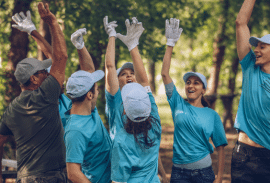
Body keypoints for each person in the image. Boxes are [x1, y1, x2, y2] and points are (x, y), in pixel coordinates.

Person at [0, 2, 69, 182]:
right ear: (34, 79)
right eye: (43, 72)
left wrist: (33, 32)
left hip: (25, 178)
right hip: (49, 178)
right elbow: (60, 58)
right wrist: (52, 23)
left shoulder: (11, 109)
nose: (48, 74)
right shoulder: (45, 96)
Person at [161, 18, 228, 183]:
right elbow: (164, 74)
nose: (191, 85)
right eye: (188, 82)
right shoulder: (177, 103)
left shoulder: (212, 115)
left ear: (203, 90)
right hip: (178, 173)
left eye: (196, 83)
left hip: (203, 174)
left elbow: (220, 148)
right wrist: (170, 43)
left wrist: (219, 177)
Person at [103, 16, 169, 183]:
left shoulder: (121, 142)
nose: (130, 76)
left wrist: (112, 36)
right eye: (123, 74)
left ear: (125, 109)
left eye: (132, 73)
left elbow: (110, 67)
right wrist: (133, 46)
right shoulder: (154, 121)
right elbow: (143, 81)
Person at [64, 28, 112, 183]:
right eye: (96, 89)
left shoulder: (88, 109)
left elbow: (89, 71)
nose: (98, 92)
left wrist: (80, 46)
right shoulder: (76, 131)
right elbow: (73, 173)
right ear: (89, 95)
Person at [232, 0, 270, 182]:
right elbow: (240, 22)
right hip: (245, 156)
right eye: (256, 46)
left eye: (262, 47)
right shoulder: (249, 67)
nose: (256, 50)